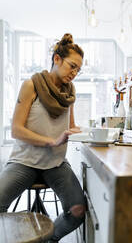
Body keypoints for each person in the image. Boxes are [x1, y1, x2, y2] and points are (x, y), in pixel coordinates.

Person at [0, 33, 86, 243]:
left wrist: (80, 132)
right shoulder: (31, 85)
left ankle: (45, 239)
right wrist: (51, 141)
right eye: (72, 66)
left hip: (55, 164)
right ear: (57, 59)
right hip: (24, 161)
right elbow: (16, 130)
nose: (74, 73)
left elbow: (71, 127)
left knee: (78, 211)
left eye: (78, 69)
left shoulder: (69, 94)